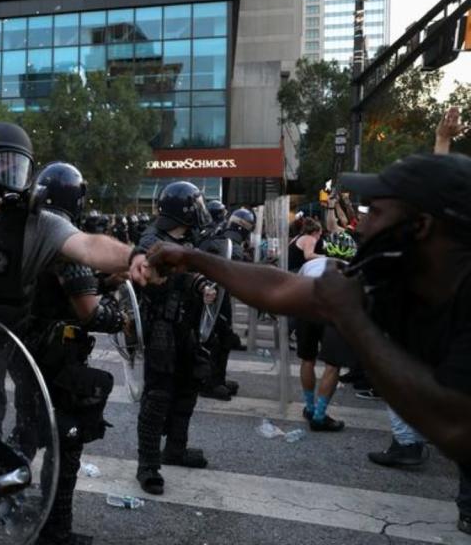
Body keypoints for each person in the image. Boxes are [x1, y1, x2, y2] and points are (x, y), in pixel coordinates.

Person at [134, 153, 471, 534]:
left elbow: (456, 427)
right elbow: (281, 288)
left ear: (420, 227)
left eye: (375, 213)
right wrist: (194, 259)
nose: (360, 228)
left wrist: (352, 320)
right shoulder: (391, 281)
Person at [0, 121, 132, 329]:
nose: (12, 175)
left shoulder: (36, 225)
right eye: (5, 163)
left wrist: (134, 257)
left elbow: (87, 246)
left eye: (19, 168)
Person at [25, 162, 121, 545]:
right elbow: (91, 312)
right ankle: (54, 531)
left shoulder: (30, 232)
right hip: (58, 359)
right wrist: (119, 315)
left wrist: (102, 281)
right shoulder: (67, 242)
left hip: (27, 350)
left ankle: (25, 516)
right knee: (66, 445)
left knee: (28, 437)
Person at [130, 181, 216, 496]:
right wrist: (196, 282)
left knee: (189, 387)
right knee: (157, 398)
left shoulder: (191, 238)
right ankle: (148, 466)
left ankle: (176, 448)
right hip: (161, 328)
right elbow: (159, 271)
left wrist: (204, 285)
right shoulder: (152, 240)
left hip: (186, 326)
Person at [293, 232, 358, 432]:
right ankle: (319, 416)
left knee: (307, 360)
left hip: (306, 307)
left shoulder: (311, 264)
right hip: (332, 312)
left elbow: (297, 285)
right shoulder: (353, 270)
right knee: (332, 365)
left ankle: (310, 408)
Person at [197, 207, 255, 400]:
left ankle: (217, 379)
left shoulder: (215, 234)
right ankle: (210, 383)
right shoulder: (231, 244)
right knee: (218, 341)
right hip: (215, 295)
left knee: (222, 338)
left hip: (211, 292)